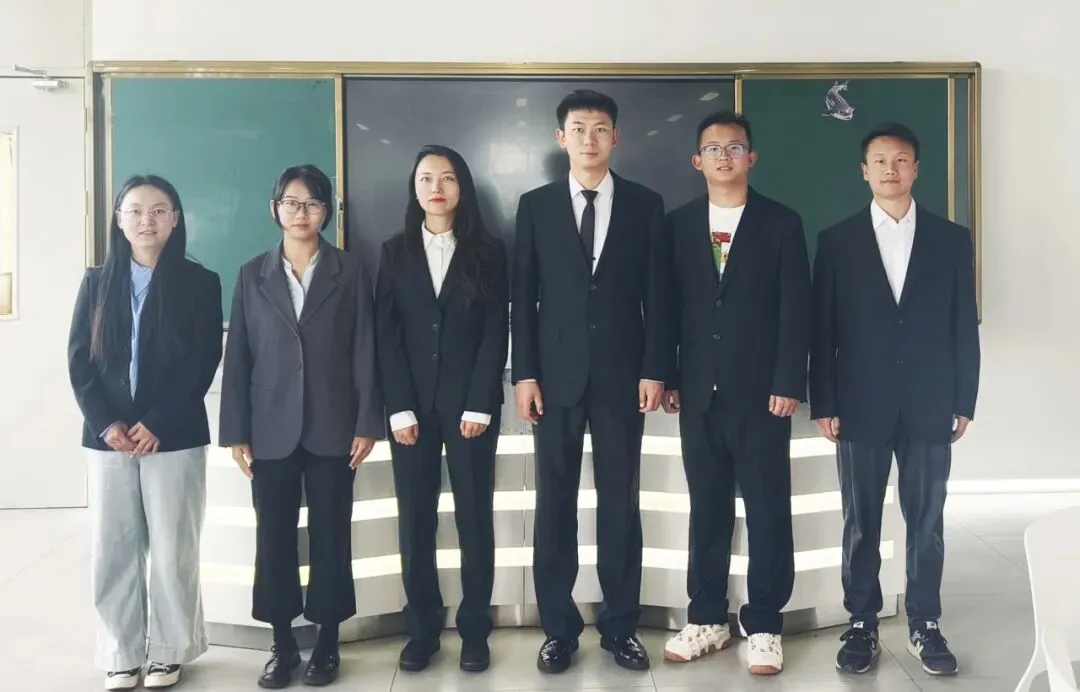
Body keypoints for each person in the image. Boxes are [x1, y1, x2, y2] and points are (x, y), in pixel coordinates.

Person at [810, 122, 980, 677]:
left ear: (916, 169)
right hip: (860, 402)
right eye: (880, 160)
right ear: (864, 171)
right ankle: (862, 621)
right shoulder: (836, 240)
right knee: (860, 519)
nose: (890, 169)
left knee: (927, 520)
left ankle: (925, 622)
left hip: (930, 400)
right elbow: (823, 329)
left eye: (901, 159)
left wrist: (965, 397)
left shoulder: (951, 239)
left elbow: (963, 323)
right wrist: (824, 400)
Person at [511, 89, 668, 674]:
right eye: (578, 129)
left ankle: (620, 627)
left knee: (620, 504)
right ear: (561, 138)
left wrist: (655, 367)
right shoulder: (536, 206)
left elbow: (659, 296)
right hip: (553, 381)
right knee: (554, 505)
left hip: (624, 378)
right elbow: (523, 296)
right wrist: (524, 373)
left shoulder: (645, 204)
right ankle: (559, 630)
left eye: (600, 128)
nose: (589, 139)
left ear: (615, 137)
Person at [218, 164, 383, 688]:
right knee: (274, 539)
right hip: (269, 429)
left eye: (312, 203)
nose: (301, 212)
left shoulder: (351, 270)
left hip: (335, 426)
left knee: (332, 535)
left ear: (327, 211)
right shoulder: (252, 273)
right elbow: (238, 357)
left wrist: (367, 421)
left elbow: (365, 349)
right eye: (291, 202)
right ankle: (282, 644)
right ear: (275, 209)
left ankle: (328, 642)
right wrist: (235, 431)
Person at [660, 111, 810, 675]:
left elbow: (796, 308)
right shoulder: (678, 225)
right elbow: (667, 307)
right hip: (699, 393)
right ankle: (707, 617)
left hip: (762, 395)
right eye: (714, 149)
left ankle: (765, 623)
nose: (725, 157)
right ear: (697, 161)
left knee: (768, 509)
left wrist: (788, 380)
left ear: (752, 157)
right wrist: (669, 375)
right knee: (707, 508)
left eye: (735, 147)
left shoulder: (781, 222)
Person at [68, 174, 223, 690]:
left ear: (175, 219)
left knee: (174, 547)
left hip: (173, 435)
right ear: (118, 220)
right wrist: (106, 423)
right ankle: (121, 653)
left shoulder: (201, 282)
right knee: (113, 548)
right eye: (134, 210)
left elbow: (203, 360)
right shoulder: (96, 282)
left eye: (158, 210)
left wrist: (158, 421)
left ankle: (169, 651)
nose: (146, 220)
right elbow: (79, 361)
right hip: (108, 439)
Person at [375, 144, 509, 673]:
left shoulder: (489, 252)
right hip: (412, 411)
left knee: (474, 519)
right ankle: (422, 630)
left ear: (462, 187)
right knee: (416, 522)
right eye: (427, 178)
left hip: (470, 409)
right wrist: (398, 407)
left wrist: (480, 402)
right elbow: (386, 334)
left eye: (447, 177)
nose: (437, 187)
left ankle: (475, 630)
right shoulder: (394, 252)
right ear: (414, 188)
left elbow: (495, 331)